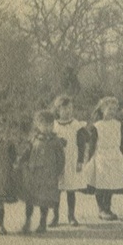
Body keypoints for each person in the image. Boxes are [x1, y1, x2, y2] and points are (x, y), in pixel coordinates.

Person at [18, 110, 65, 235]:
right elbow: (27, 152)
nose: (47, 127)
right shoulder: (34, 139)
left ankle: (42, 223)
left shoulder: (56, 141)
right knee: (30, 199)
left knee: (45, 199)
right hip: (34, 174)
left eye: (50, 124)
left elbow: (61, 157)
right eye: (44, 124)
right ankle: (27, 222)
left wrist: (60, 172)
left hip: (49, 175)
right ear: (38, 125)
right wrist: (19, 161)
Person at [85, 96, 123, 220]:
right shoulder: (97, 126)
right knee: (101, 183)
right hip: (101, 156)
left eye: (114, 109)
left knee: (110, 184)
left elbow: (122, 141)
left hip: (115, 155)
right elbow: (92, 144)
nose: (112, 112)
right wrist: (89, 159)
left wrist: (120, 154)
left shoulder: (119, 125)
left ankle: (108, 207)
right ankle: (101, 209)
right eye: (109, 109)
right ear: (102, 110)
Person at [51, 95, 88, 227]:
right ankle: (55, 217)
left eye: (70, 108)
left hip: (71, 160)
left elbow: (82, 145)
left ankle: (71, 216)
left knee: (71, 190)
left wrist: (80, 161)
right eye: (64, 108)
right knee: (57, 190)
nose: (67, 111)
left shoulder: (77, 125)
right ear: (58, 110)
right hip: (57, 162)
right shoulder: (54, 125)